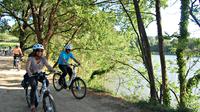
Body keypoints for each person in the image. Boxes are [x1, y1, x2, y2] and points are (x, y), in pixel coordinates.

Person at [25, 43, 55, 112]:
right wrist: (30, 73)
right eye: (38, 50)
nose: (40, 52)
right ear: (35, 51)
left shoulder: (43, 58)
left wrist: (53, 70)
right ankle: (32, 105)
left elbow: (48, 66)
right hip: (32, 75)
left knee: (46, 82)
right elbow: (27, 67)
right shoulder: (31, 58)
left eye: (41, 51)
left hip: (39, 74)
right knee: (34, 86)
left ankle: (41, 93)